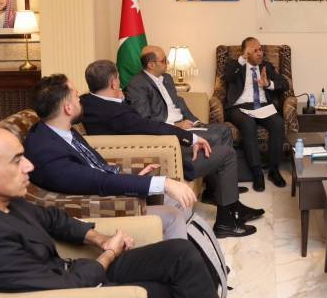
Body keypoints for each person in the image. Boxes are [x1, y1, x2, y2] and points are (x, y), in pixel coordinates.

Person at [0, 127, 217, 297]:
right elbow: (65, 288)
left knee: (180, 253)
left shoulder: (10, 201)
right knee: (173, 290)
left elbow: (55, 219)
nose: (29, 166)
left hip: (78, 271)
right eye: (17, 161)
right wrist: (109, 254)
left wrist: (100, 239)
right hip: (76, 288)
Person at [78, 61, 263, 238]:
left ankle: (232, 206)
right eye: (118, 79)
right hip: (157, 157)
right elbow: (150, 126)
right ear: (113, 82)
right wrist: (191, 138)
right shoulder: (117, 112)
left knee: (214, 146)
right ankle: (226, 223)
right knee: (226, 154)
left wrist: (119, 99)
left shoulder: (86, 103)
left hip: (148, 150)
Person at [25, 74, 191, 240]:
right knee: (174, 214)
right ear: (68, 108)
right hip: (106, 208)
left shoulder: (59, 130)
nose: (80, 100)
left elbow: (96, 167)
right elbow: (98, 181)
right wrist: (163, 183)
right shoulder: (46, 151)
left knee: (183, 201)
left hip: (110, 193)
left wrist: (135, 177)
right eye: (76, 96)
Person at [126, 45, 243, 200]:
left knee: (224, 129)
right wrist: (177, 126)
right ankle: (221, 191)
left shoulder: (167, 78)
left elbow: (178, 103)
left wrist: (196, 122)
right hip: (170, 131)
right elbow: (144, 120)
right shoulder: (137, 85)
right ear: (151, 64)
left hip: (184, 124)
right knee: (214, 137)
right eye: (164, 60)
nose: (168, 63)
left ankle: (220, 187)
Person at [223, 37, 288, 191]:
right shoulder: (235, 65)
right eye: (255, 50)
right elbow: (228, 77)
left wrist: (268, 84)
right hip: (240, 107)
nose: (260, 53)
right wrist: (242, 59)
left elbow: (285, 84)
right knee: (248, 124)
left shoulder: (266, 67)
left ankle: (274, 170)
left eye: (261, 50)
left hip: (262, 106)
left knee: (278, 123)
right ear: (246, 52)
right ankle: (257, 172)